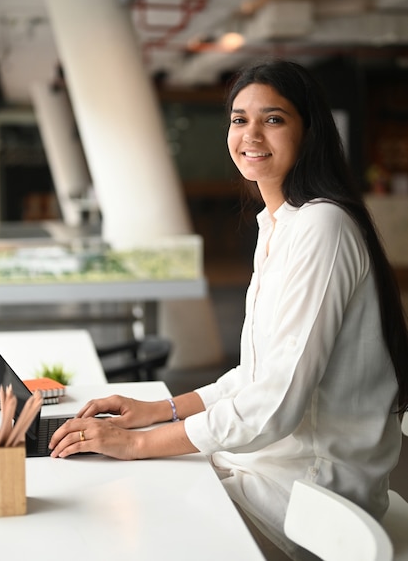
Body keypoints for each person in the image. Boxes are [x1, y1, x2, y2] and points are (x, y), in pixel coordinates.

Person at [49, 60, 408, 560]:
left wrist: (136, 443)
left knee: (122, 524)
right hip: (267, 469)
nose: (251, 134)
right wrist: (157, 411)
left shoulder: (323, 227)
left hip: (309, 497)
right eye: (239, 119)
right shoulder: (280, 226)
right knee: (116, 493)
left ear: (310, 131)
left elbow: (273, 406)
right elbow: (255, 377)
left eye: (274, 119)